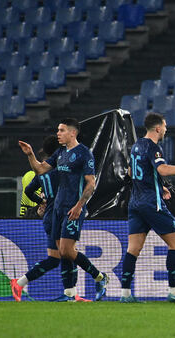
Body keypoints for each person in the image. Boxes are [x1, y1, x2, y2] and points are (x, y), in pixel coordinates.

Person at [18, 118, 109, 302]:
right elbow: (41, 169)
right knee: (62, 252)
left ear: (72, 133)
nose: (58, 133)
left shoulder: (84, 154)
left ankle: (100, 277)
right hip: (58, 208)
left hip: (73, 208)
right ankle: (70, 293)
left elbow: (91, 183)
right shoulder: (60, 152)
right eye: (58, 130)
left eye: (61, 130)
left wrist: (79, 205)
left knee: (67, 251)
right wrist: (30, 154)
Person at [119, 113, 175, 303]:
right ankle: (174, 292)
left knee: (133, 248)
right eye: (165, 126)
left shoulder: (136, 146)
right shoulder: (153, 147)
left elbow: (133, 172)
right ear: (157, 128)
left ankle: (125, 293)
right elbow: (162, 169)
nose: (166, 129)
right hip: (151, 203)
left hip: (135, 202)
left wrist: (160, 186)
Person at [11, 136, 91, 302]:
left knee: (57, 258)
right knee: (67, 253)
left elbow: (28, 191)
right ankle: (74, 291)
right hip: (58, 215)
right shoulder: (59, 171)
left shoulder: (43, 173)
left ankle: (21, 283)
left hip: (49, 216)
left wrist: (42, 202)